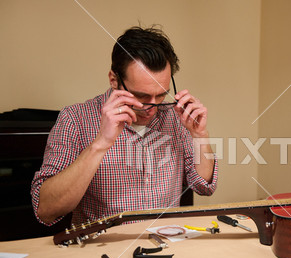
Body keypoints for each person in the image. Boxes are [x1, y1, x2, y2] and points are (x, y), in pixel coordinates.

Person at [31, 26, 218, 226]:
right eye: (141, 96)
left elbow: (203, 186)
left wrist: (200, 135)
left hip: (168, 243)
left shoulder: (175, 117)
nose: (152, 107)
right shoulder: (75, 119)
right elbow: (46, 210)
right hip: (101, 248)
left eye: (161, 93)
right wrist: (101, 142)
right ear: (114, 80)